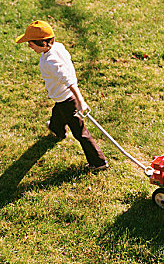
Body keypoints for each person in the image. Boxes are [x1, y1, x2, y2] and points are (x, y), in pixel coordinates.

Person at [15, 20, 108, 171]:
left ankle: (98, 162)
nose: (29, 46)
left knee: (80, 132)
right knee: (58, 113)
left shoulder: (51, 62)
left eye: (31, 43)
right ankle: (57, 130)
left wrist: (81, 102)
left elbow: (68, 81)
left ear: (43, 43)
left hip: (67, 98)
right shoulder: (57, 47)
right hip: (61, 98)